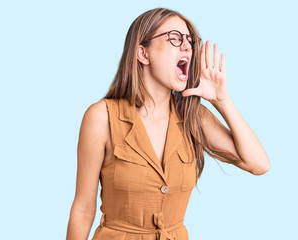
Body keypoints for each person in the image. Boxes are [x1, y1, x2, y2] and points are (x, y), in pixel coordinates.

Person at [66, 7, 270, 240]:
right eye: (174, 38)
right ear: (143, 54)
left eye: (190, 41)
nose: (186, 46)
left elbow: (259, 164)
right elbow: (83, 210)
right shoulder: (101, 117)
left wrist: (221, 101)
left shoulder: (194, 117)